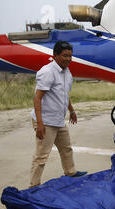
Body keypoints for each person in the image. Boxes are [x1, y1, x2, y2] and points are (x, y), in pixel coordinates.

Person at [29, 40, 87, 188]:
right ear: (55, 55)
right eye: (64, 55)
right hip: (46, 121)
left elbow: (64, 95)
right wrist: (40, 124)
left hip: (58, 120)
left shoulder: (67, 73)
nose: (68, 59)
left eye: (70, 56)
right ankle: (34, 186)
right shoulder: (47, 72)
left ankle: (71, 172)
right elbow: (38, 97)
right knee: (41, 156)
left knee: (66, 148)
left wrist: (71, 110)